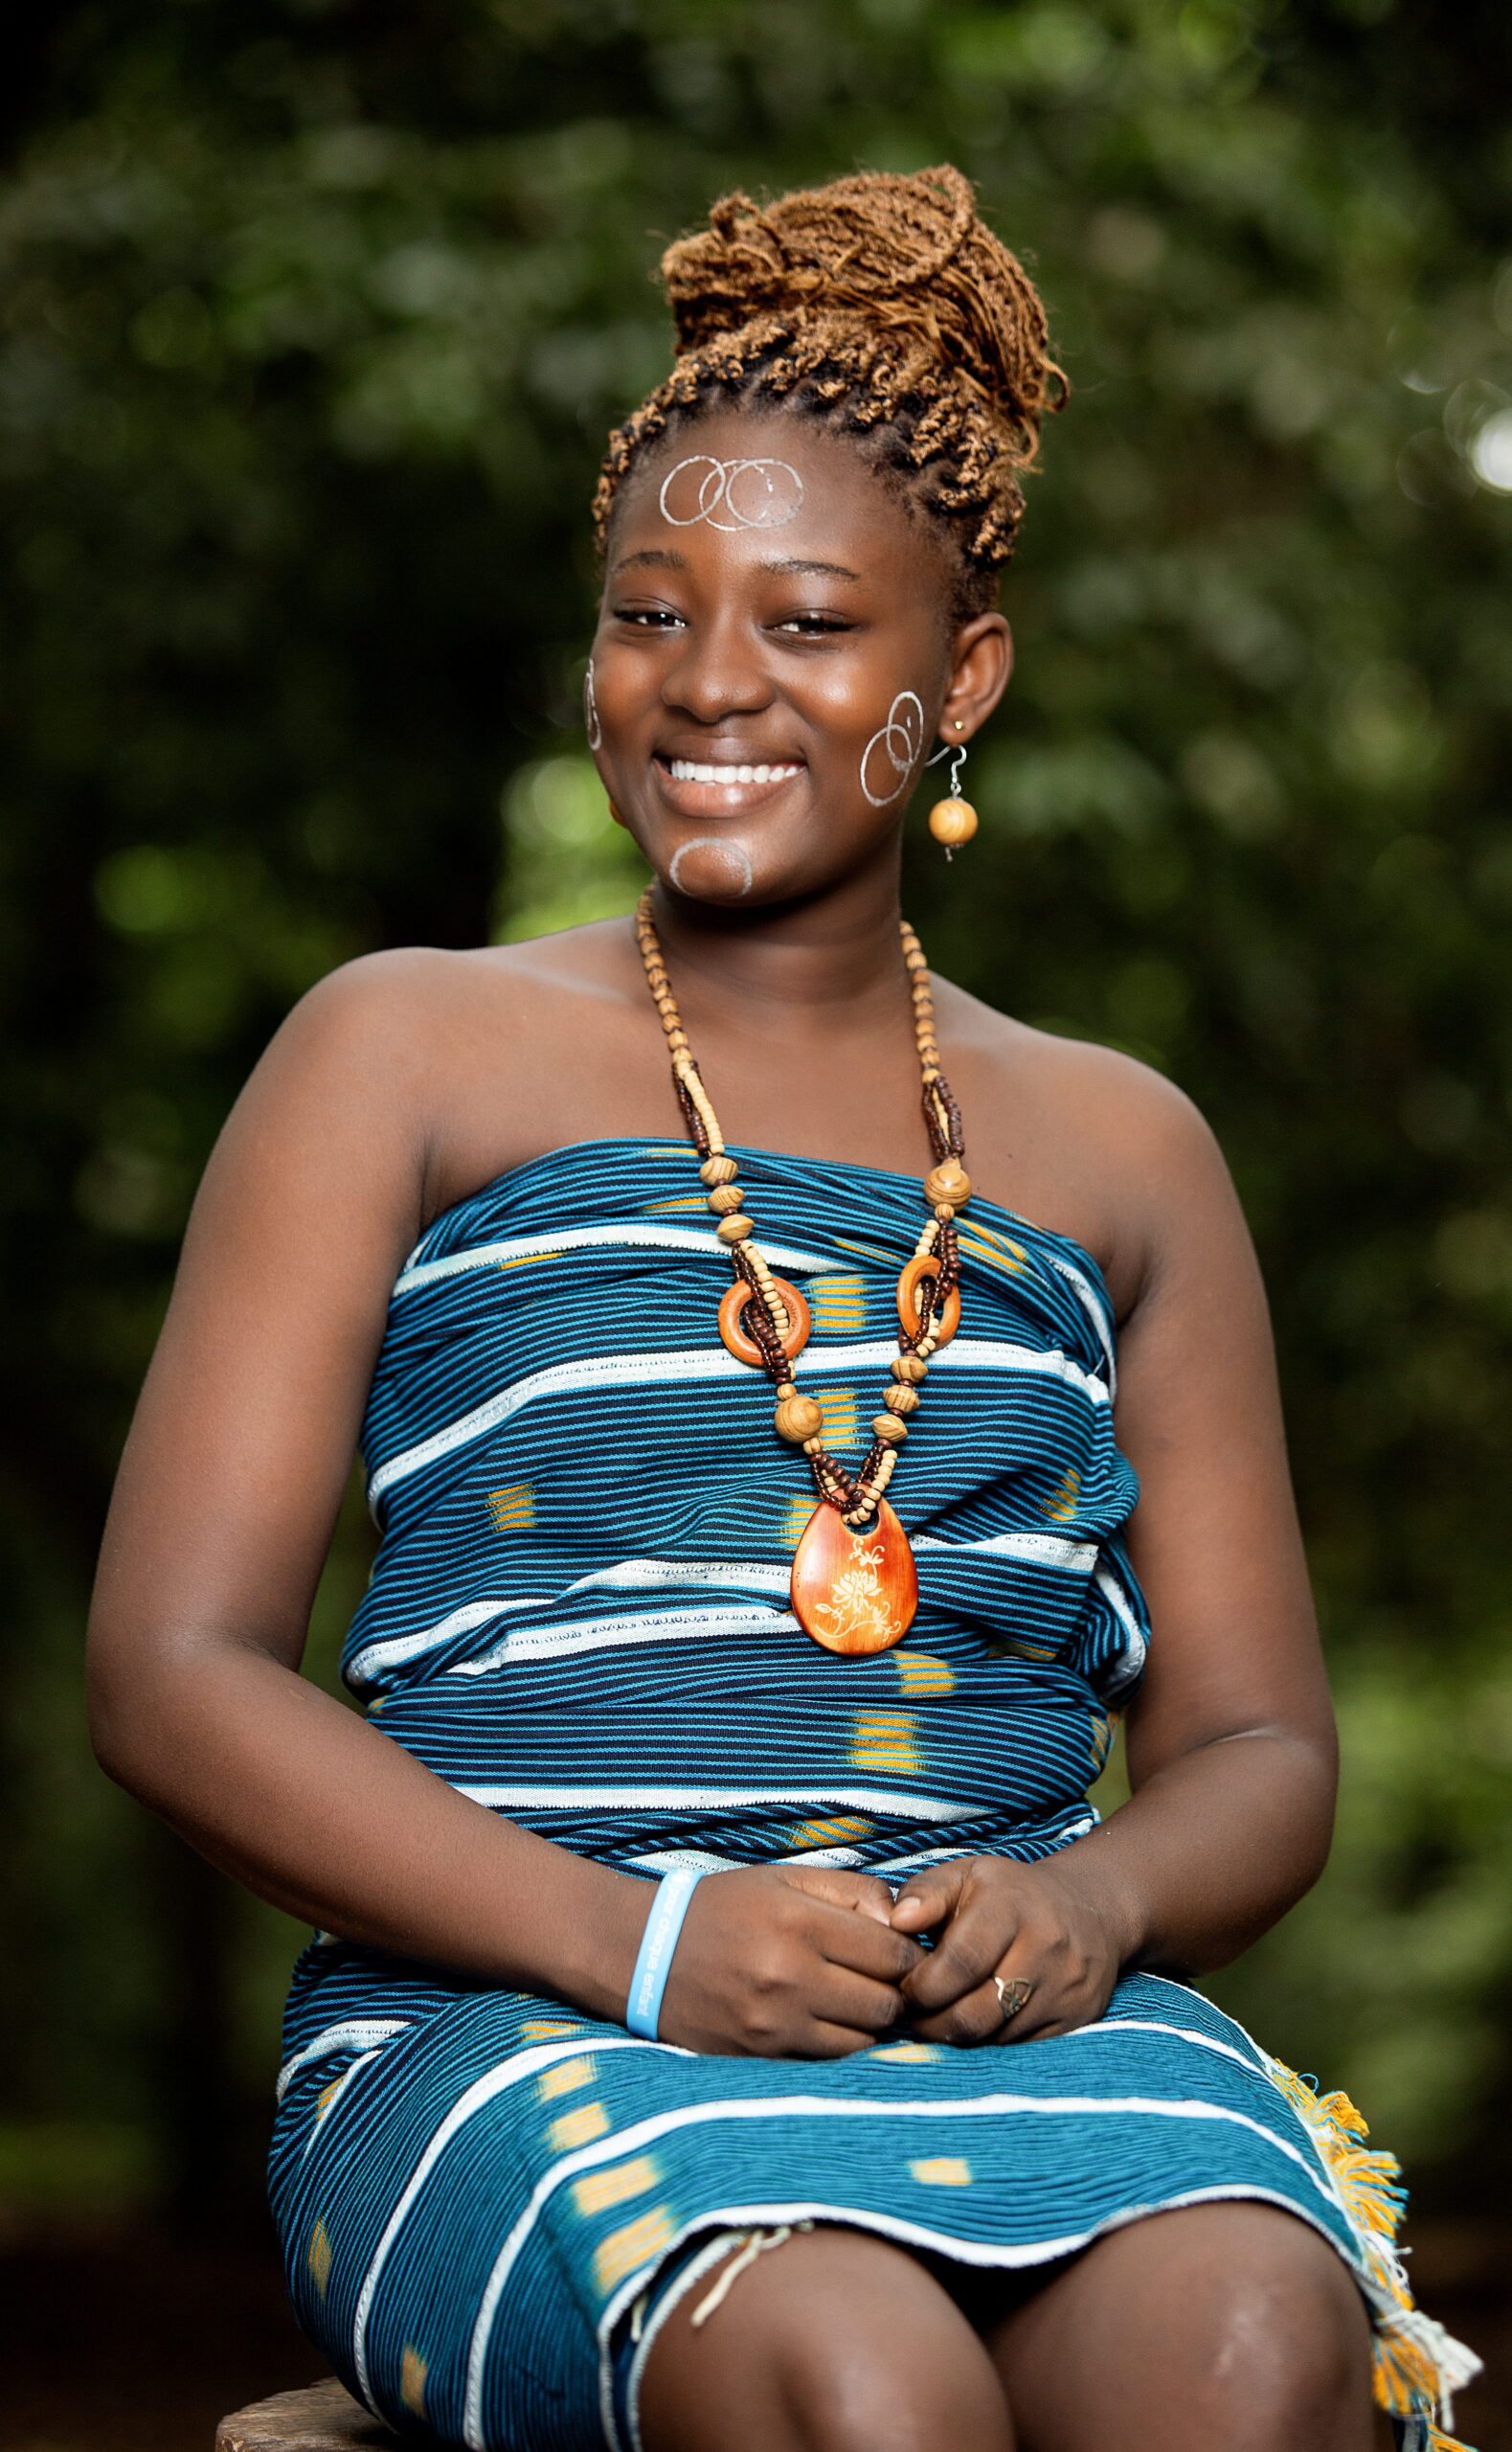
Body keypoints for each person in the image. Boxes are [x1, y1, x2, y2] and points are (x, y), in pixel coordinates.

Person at [86, 167, 1477, 2452]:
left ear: (961, 682)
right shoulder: (402, 1052)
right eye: (651, 612)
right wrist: (636, 1940)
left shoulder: (1123, 1148)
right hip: (511, 2019)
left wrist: (1096, 1902)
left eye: (812, 622)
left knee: (1246, 2340)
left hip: (1025, 2032)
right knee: (856, 2377)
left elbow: (1260, 1746)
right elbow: (170, 1666)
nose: (713, 681)